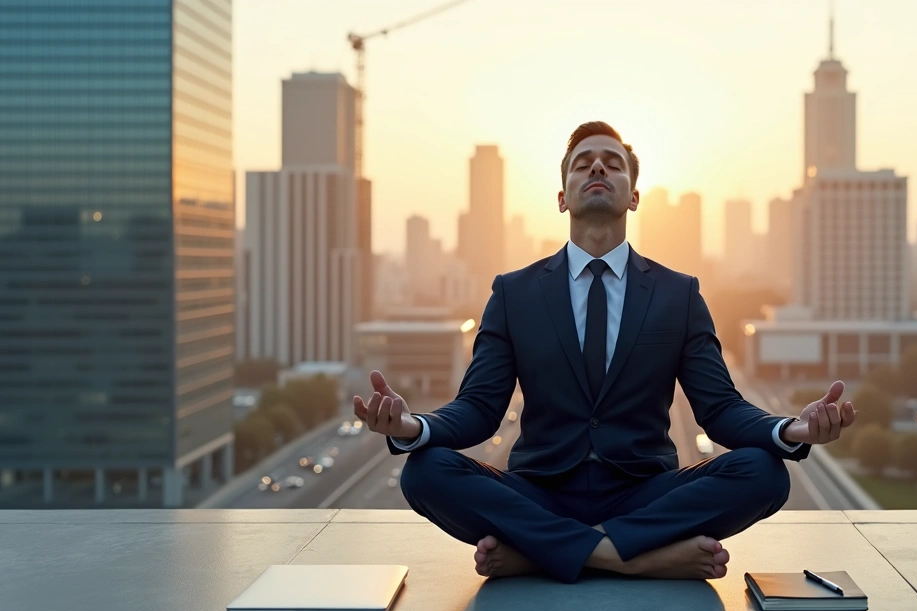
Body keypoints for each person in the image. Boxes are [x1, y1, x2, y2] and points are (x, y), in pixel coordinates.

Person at [353, 121, 858, 584]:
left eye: (613, 163)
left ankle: (540, 554)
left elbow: (721, 410)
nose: (598, 167)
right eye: (583, 162)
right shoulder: (514, 292)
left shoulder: (678, 294)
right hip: (539, 492)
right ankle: (632, 558)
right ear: (561, 197)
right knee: (424, 470)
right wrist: (411, 428)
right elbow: (480, 409)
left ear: (634, 197)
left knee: (765, 471)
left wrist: (791, 430)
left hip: (644, 494)